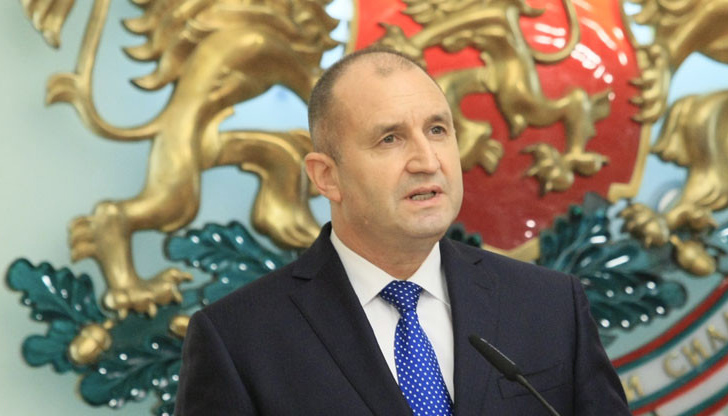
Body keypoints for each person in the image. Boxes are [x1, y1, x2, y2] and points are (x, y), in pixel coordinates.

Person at [175, 48, 630, 415]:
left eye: (438, 130)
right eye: (389, 138)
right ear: (326, 177)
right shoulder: (238, 339)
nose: (427, 161)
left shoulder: (550, 307)